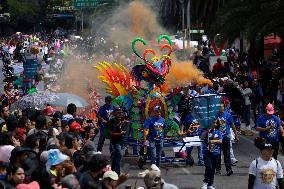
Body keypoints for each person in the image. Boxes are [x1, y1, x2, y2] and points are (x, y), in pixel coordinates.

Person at [215, 103, 239, 176]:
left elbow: (232, 125)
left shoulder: (228, 115)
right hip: (217, 138)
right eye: (219, 107)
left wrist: (236, 135)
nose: (221, 108)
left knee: (227, 154)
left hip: (226, 137)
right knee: (218, 154)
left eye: (222, 107)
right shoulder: (214, 115)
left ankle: (229, 169)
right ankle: (218, 169)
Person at [201, 120, 223, 189]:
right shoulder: (205, 130)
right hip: (207, 153)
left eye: (216, 123)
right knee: (209, 167)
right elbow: (201, 137)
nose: (215, 124)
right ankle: (205, 182)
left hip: (216, 153)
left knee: (213, 169)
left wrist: (213, 141)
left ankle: (210, 184)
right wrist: (207, 131)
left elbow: (220, 141)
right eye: (214, 123)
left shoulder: (218, 131)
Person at [108, 107, 127, 175]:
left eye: (121, 113)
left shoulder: (121, 120)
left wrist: (123, 131)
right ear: (115, 113)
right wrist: (120, 133)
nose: (120, 114)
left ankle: (113, 170)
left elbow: (123, 130)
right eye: (118, 113)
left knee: (116, 156)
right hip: (115, 141)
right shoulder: (112, 121)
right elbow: (111, 133)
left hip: (121, 141)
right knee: (119, 155)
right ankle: (118, 172)